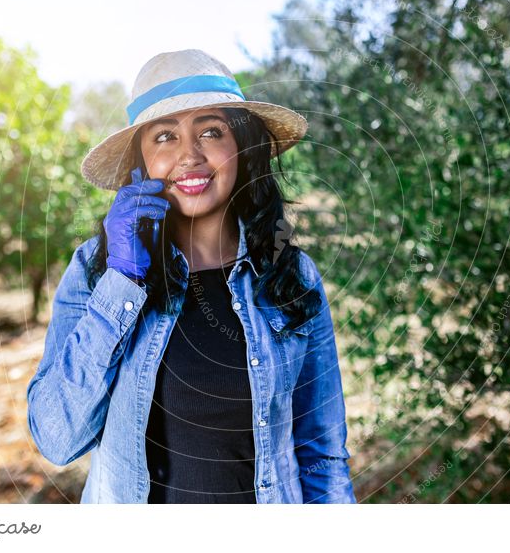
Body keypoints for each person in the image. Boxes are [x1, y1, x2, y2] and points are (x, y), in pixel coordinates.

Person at [26, 49, 356, 504]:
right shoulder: (94, 271)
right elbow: (57, 439)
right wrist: (122, 281)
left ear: (240, 147)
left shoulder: (291, 275)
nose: (190, 155)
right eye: (165, 136)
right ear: (139, 163)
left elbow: (322, 451)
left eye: (211, 131)